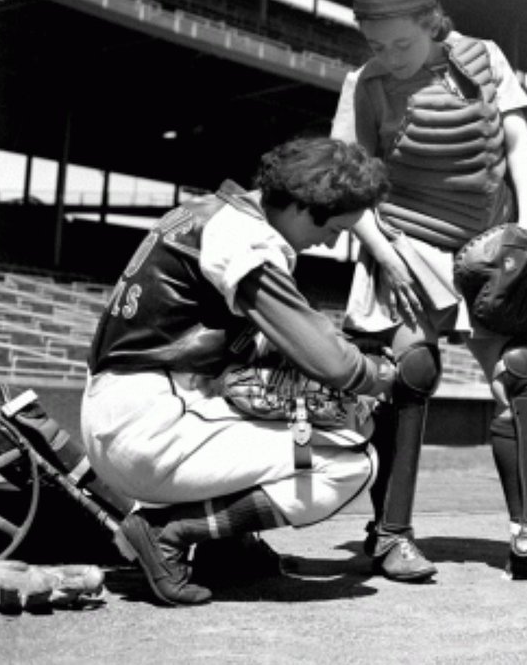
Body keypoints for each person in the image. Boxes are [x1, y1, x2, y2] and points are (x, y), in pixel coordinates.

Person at [330, 0, 527, 585]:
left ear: (431, 23)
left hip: (488, 246)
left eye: (402, 43)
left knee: (521, 373)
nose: (389, 57)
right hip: (404, 243)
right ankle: (390, 535)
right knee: (412, 370)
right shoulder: (362, 86)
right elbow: (347, 191)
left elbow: (520, 150)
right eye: (376, 45)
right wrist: (385, 254)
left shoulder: (485, 60)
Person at [81, 137, 398, 606]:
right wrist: (381, 376)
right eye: (334, 227)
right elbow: (330, 363)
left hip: (138, 411)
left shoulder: (208, 210)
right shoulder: (243, 235)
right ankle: (167, 532)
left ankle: (226, 546)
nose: (332, 241)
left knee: (293, 417)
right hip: (152, 425)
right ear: (300, 205)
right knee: (347, 460)